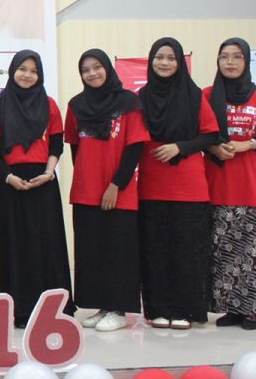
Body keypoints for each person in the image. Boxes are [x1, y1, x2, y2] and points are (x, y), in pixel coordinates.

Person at [0, 50, 74, 329]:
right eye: (22, 69)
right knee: (13, 244)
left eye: (34, 71)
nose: (27, 75)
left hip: (42, 182)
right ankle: (19, 309)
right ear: (12, 71)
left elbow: (56, 144)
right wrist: (8, 177)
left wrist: (48, 173)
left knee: (46, 243)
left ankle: (53, 308)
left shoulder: (49, 105)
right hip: (8, 183)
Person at [204, 38, 256, 331]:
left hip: (252, 184)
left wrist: (249, 144)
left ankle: (251, 310)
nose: (230, 62)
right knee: (223, 250)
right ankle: (230, 309)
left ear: (246, 61)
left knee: (253, 251)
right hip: (218, 184)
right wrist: (213, 148)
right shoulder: (207, 95)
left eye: (237, 56)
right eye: (224, 56)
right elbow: (197, 133)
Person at [136, 38, 220, 331]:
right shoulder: (141, 97)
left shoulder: (194, 95)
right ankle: (158, 310)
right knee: (155, 251)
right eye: (159, 57)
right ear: (151, 61)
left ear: (180, 63)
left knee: (187, 251)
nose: (164, 63)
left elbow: (210, 134)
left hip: (189, 186)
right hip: (152, 185)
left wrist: (180, 147)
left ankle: (186, 310)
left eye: (171, 58)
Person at [65, 48, 148, 332]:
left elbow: (135, 146)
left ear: (107, 68)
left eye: (96, 67)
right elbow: (75, 147)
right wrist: (87, 179)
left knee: (118, 250)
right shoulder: (76, 105)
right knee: (92, 251)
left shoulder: (128, 102)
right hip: (85, 191)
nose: (92, 73)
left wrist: (115, 185)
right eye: (85, 69)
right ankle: (102, 306)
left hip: (118, 190)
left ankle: (119, 309)